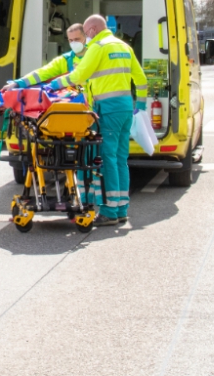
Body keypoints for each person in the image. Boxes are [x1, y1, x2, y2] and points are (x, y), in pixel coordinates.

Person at [50, 14, 147, 226]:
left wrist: (54, 86)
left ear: (93, 30)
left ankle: (109, 212)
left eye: (85, 33)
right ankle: (121, 208)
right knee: (121, 159)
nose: (85, 37)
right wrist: (139, 107)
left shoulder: (98, 47)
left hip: (107, 111)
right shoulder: (124, 46)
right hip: (125, 109)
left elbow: (79, 75)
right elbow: (141, 80)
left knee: (107, 159)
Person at [1, 23, 87, 92]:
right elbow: (41, 73)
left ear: (85, 37)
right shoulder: (65, 60)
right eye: (71, 40)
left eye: (77, 39)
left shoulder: (94, 55)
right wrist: (17, 83)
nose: (74, 43)